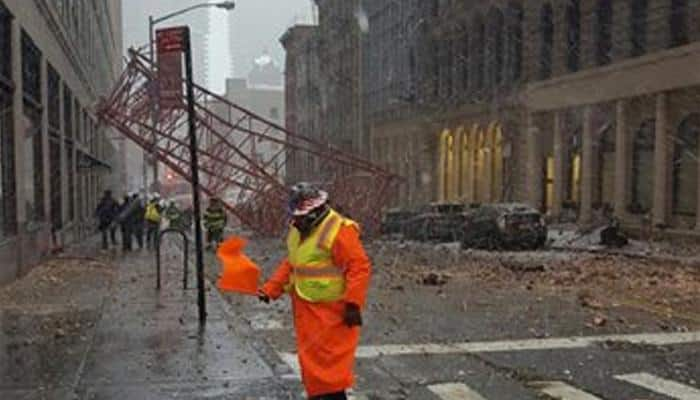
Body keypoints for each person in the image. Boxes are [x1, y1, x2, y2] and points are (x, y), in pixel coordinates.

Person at [258, 183, 371, 400]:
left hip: (332, 314)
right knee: (315, 368)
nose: (296, 221)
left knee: (330, 372)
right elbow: (293, 263)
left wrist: (353, 304)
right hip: (309, 312)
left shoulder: (338, 229)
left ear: (315, 213)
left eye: (300, 217)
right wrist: (271, 289)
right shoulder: (298, 230)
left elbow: (359, 267)